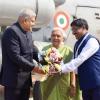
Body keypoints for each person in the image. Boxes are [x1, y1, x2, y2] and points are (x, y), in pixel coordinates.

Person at [0, 8, 44, 100]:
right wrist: (34, 68)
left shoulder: (27, 32)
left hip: (25, 81)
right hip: (14, 81)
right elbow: (15, 56)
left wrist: (45, 60)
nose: (34, 24)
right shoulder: (11, 32)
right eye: (32, 21)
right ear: (25, 20)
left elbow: (33, 49)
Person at [60, 18, 100, 100]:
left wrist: (61, 69)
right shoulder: (77, 43)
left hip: (97, 83)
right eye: (72, 29)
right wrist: (59, 64)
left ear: (84, 28)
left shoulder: (91, 41)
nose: (73, 32)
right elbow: (74, 62)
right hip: (86, 84)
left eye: (76, 29)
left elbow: (79, 59)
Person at [40, 27, 81, 100]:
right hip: (48, 83)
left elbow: (72, 70)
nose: (55, 38)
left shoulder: (68, 51)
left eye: (58, 36)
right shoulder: (44, 49)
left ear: (63, 38)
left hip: (63, 83)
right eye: (53, 35)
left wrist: (73, 84)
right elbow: (43, 67)